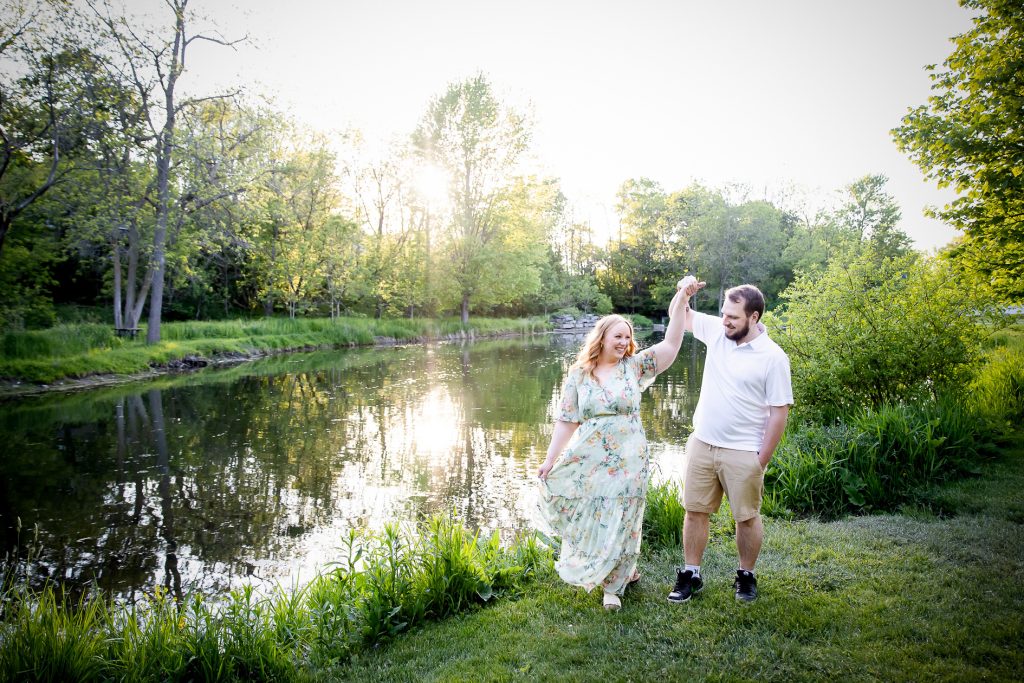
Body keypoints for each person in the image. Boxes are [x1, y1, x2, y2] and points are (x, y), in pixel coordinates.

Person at [536, 277, 704, 611]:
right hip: (589, 456)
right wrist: (549, 459)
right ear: (602, 338)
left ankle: (613, 585)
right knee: (596, 511)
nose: (625, 341)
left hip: (628, 457)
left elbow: (671, 345)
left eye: (628, 337)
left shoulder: (634, 367)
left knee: (624, 512)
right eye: (618, 336)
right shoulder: (579, 374)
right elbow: (567, 419)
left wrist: (682, 299)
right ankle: (618, 568)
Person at [666, 282, 792, 604]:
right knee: (695, 511)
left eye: (733, 317)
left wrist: (760, 460)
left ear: (754, 316)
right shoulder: (717, 333)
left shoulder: (773, 357)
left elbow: (779, 414)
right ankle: (691, 574)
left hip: (743, 451)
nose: (725, 321)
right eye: (723, 314)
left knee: (746, 517)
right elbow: (678, 315)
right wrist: (684, 293)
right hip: (702, 443)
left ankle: (746, 576)